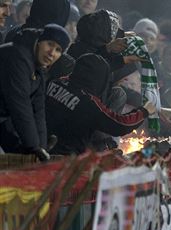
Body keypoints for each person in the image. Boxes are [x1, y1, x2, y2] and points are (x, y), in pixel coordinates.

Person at [45, 53, 155, 155]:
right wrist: (144, 111)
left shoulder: (57, 82)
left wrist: (121, 60)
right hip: (66, 153)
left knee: (118, 93)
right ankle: (103, 146)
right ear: (100, 80)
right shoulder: (87, 102)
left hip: (44, 139)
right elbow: (120, 124)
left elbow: (93, 69)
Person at [0, 24, 70, 160]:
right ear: (39, 41)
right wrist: (33, 146)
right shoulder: (19, 57)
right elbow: (20, 105)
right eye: (50, 44)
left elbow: (38, 109)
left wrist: (41, 147)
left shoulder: (39, 69)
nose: (52, 53)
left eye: (58, 50)